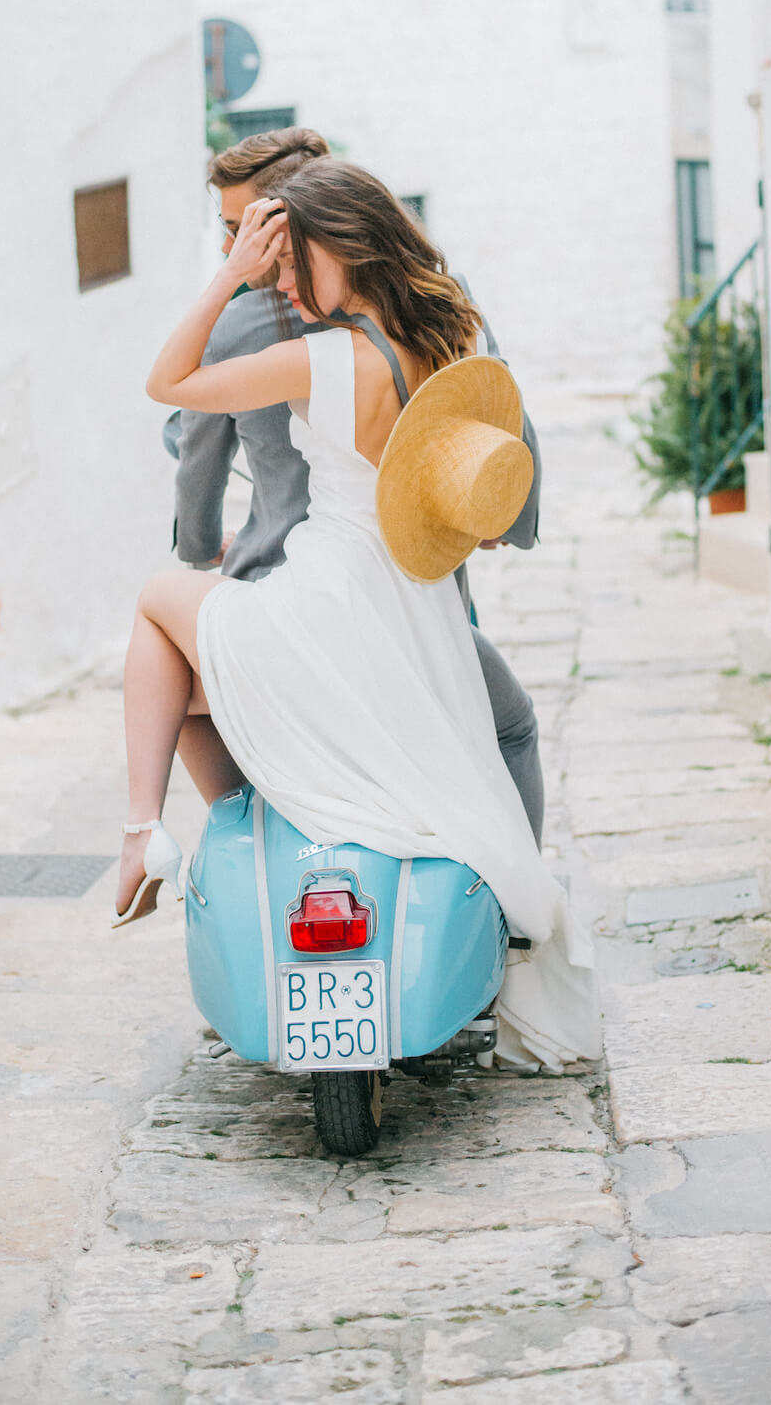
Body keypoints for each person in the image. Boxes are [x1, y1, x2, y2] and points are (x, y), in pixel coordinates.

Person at [115, 160, 599, 1070]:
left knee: (156, 607)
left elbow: (166, 382)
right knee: (189, 681)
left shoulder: (325, 358)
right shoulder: (443, 342)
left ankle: (146, 831)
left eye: (294, 262)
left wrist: (228, 276)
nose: (282, 283)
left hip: (327, 607)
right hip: (414, 613)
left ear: (345, 246)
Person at [175, 128, 547, 845]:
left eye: (242, 227)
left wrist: (198, 547)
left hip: (273, 581)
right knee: (503, 728)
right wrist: (502, 518)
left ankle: (248, 851)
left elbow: (198, 456)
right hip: (411, 575)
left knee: (205, 706)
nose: (232, 247)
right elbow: (500, 414)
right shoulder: (435, 301)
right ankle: (503, 883)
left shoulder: (233, 329)